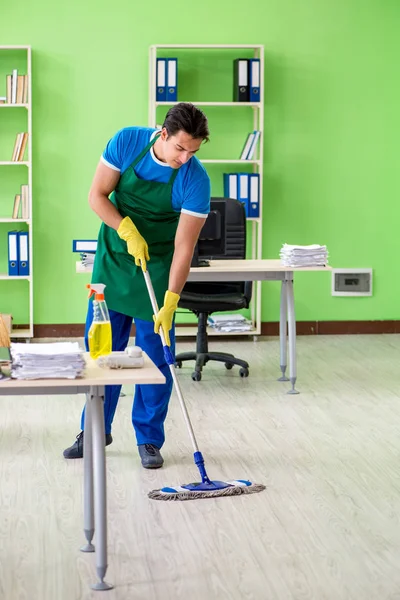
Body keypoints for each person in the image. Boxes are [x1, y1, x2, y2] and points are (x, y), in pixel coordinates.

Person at [63, 103, 210, 468]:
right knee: (100, 348)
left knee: (156, 354)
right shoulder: (128, 142)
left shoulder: (196, 180)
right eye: (180, 148)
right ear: (163, 134)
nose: (184, 158)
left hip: (159, 264)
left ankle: (148, 439)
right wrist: (126, 229)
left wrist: (172, 299)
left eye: (193, 151)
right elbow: (97, 196)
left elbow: (184, 246)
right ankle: (95, 430)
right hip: (115, 255)